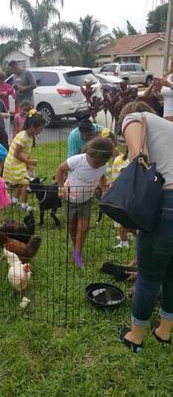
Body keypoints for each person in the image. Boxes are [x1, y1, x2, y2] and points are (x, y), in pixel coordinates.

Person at [118, 101, 173, 353]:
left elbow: (139, 159)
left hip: (167, 206)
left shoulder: (134, 118)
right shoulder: (168, 130)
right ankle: (164, 331)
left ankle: (135, 336)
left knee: (149, 277)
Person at [56, 137, 113, 268]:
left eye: (101, 163)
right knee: (72, 227)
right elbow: (60, 169)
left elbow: (101, 176)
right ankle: (76, 243)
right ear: (89, 154)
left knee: (83, 228)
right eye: (96, 162)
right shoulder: (77, 160)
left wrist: (104, 187)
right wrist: (60, 188)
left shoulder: (103, 165)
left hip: (86, 200)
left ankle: (77, 253)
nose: (97, 166)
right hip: (69, 199)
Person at [3, 109, 46, 211]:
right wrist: (29, 162)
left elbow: (26, 152)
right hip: (13, 163)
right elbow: (16, 154)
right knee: (26, 183)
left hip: (19, 162)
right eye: (40, 128)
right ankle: (24, 205)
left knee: (21, 182)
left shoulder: (30, 136)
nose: (41, 131)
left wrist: (28, 164)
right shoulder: (23, 137)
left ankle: (14, 200)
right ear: (32, 127)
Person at [110, 147, 130, 249]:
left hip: (120, 193)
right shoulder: (128, 160)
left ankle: (124, 242)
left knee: (119, 219)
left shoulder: (121, 160)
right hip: (126, 193)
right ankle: (125, 235)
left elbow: (126, 176)